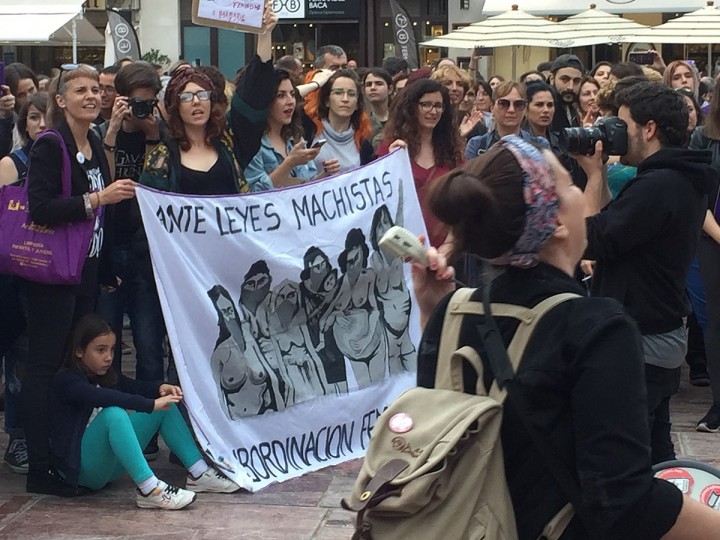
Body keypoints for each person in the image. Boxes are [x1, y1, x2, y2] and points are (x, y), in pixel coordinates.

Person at [412, 133, 720, 540]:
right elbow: (624, 503)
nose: (579, 194)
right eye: (571, 184)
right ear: (555, 222)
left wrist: (434, 312)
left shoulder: (452, 310)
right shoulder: (596, 327)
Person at [578, 82, 714, 464]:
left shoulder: (659, 184)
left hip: (641, 339)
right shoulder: (678, 176)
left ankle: (657, 519)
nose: (615, 135)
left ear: (648, 129)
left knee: (625, 456)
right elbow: (616, 228)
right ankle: (674, 512)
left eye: (621, 126)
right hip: (661, 332)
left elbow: (592, 239)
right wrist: (601, 174)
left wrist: (590, 176)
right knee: (656, 449)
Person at [24, 64, 137, 496]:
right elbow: (41, 208)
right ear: (60, 100)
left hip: (85, 273)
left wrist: (105, 267)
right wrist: (96, 198)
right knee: (44, 369)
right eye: (80, 91)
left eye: (95, 90)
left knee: (73, 370)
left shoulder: (92, 140)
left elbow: (101, 219)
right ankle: (40, 467)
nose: (91, 96)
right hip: (53, 277)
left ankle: (66, 456)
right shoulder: (49, 145)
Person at [49, 315, 240, 508]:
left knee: (166, 406)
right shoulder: (67, 381)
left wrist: (159, 389)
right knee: (114, 414)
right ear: (79, 351)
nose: (108, 357)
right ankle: (150, 488)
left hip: (109, 468)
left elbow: (132, 386)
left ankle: (198, 472)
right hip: (82, 471)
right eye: (100, 350)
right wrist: (149, 404)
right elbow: (103, 397)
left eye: (112, 349)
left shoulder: (104, 374)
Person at [140, 5, 278, 194]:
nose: (196, 101)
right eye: (187, 97)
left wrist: (264, 34)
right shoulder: (162, 159)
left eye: (202, 95)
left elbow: (254, 92)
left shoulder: (228, 142)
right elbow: (151, 212)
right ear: (176, 106)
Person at [377, 78, 463, 248]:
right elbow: (380, 197)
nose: (433, 111)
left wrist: (448, 247)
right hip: (403, 248)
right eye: (426, 104)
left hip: (445, 249)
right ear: (412, 107)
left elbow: (461, 203)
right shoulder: (390, 146)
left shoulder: (453, 151)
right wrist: (390, 163)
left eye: (438, 106)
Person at [689, 79, 720, 431]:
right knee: (716, 325)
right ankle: (718, 403)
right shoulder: (704, 136)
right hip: (712, 238)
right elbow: (697, 195)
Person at [244, 69, 334, 191]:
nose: (290, 101)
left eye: (292, 94)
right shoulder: (251, 144)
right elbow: (254, 194)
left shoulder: (295, 137)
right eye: (281, 95)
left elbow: (307, 187)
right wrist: (289, 163)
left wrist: (325, 174)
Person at [309, 69, 373, 174]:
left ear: (357, 103)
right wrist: (315, 85)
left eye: (352, 94)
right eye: (338, 93)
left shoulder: (363, 143)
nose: (345, 99)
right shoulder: (309, 131)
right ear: (327, 101)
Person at [465, 81, 534, 160]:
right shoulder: (476, 145)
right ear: (492, 108)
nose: (511, 110)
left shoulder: (538, 145)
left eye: (518, 104)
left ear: (525, 109)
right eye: (503, 104)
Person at [0, 91, 47, 185]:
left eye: (48, 117)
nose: (42, 124)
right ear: (25, 125)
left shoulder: (68, 156)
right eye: (34, 118)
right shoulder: (10, 163)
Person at [362, 68, 393, 148]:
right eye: (368, 84)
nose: (373, 88)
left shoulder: (400, 119)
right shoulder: (360, 121)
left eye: (379, 84)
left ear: (390, 89)